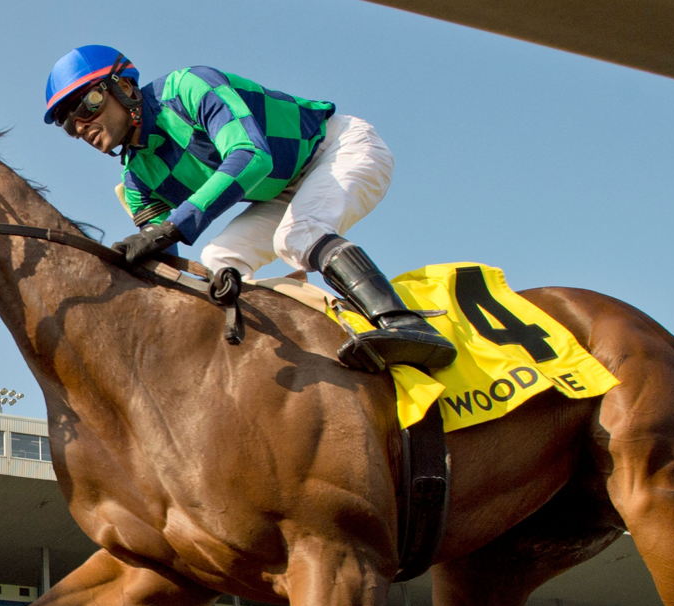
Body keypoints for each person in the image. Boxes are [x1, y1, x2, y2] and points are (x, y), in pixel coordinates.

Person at [40, 45, 457, 374]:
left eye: (88, 103)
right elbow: (165, 261)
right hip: (278, 193)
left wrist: (173, 226)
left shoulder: (187, 87)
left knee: (298, 234)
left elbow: (252, 154)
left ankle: (404, 324)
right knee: (218, 262)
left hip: (338, 148)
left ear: (124, 88)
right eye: (67, 122)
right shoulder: (136, 181)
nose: (80, 125)